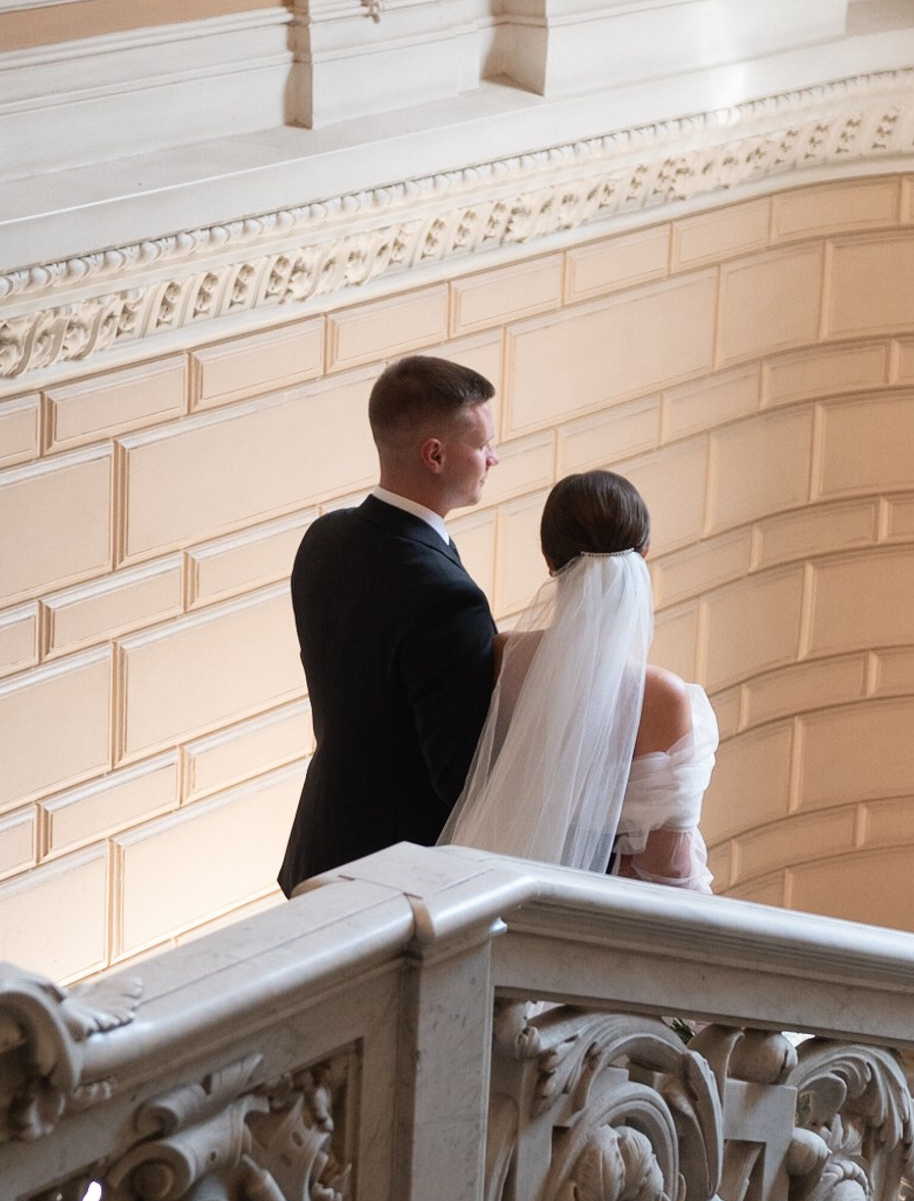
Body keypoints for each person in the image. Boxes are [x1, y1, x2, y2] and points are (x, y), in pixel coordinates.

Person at [278, 357, 500, 893]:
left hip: (322, 845)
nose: (494, 457)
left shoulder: (323, 540)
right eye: (483, 444)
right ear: (436, 455)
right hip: (397, 879)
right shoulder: (449, 598)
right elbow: (461, 778)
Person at [441, 469, 718, 890]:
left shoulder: (504, 659)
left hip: (506, 891)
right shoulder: (663, 698)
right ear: (644, 554)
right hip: (604, 922)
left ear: (549, 560)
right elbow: (669, 870)